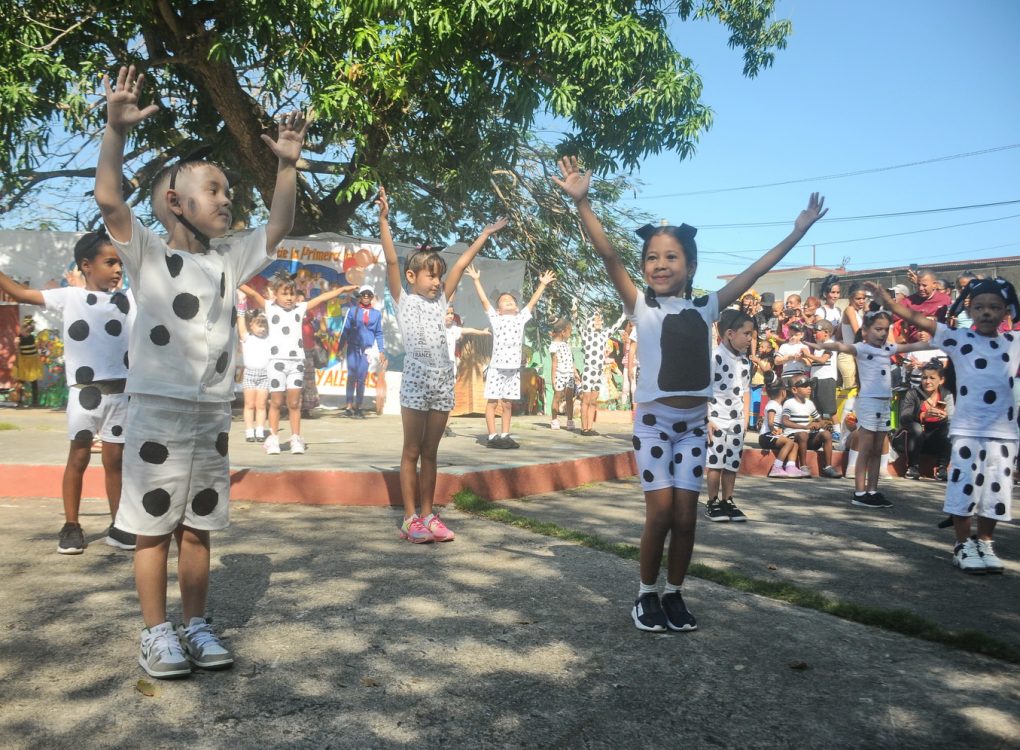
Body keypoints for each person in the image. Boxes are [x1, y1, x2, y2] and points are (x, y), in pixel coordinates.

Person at [94, 65, 310, 678]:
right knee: (150, 525)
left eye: (227, 192)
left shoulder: (228, 258)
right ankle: (155, 633)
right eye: (212, 190)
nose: (225, 199)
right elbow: (110, 196)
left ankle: (194, 623)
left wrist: (286, 166)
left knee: (198, 526)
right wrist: (116, 129)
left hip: (212, 412)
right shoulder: (147, 252)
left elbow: (279, 225)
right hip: (157, 409)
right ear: (173, 203)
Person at [553, 154, 828, 633]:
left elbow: (756, 271)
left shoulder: (707, 307)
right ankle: (645, 595)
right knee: (659, 513)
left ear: (691, 264)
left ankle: (674, 593)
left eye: (671, 256)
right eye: (653, 258)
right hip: (654, 425)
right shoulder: (639, 305)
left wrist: (798, 231)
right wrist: (583, 203)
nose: (660, 264)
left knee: (686, 517)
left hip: (694, 429)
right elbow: (608, 256)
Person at [378, 188, 506, 542]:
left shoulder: (441, 302)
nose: (436, 282)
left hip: (442, 379)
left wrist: (483, 234)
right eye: (430, 276)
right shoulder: (403, 299)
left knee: (431, 452)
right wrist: (384, 220)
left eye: (439, 276)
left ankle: (428, 514)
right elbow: (391, 261)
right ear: (411, 277)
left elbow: (462, 265)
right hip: (416, 377)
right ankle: (409, 519)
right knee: (412, 450)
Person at [869, 278, 1019, 574]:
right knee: (964, 486)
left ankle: (985, 542)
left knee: (995, 490)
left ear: (1006, 311)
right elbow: (918, 319)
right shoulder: (959, 338)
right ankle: (963, 544)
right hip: (967, 431)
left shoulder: (1013, 343)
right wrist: (888, 302)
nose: (987, 312)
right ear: (970, 310)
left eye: (994, 307)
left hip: (1004, 433)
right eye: (979, 307)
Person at [0, 231, 136, 553]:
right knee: (78, 457)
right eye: (110, 262)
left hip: (121, 394)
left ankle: (120, 524)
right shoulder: (69, 297)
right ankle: (72, 524)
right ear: (86, 266)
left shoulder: (130, 300)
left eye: (121, 263)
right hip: (84, 393)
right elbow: (18, 292)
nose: (118, 269)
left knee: (116, 460)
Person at [816, 306, 930, 507]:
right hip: (869, 401)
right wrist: (818, 343)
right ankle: (860, 493)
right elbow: (843, 347)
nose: (883, 333)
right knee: (866, 448)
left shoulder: (888, 348)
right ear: (866, 331)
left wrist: (933, 343)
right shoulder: (862, 348)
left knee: (878, 448)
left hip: (885, 401)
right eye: (878, 329)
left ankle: (873, 490)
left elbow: (908, 348)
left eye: (886, 329)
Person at [261, 273, 356, 454]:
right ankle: (273, 438)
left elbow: (322, 297)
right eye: (284, 294)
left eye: (292, 294)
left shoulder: (300, 308)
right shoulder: (269, 308)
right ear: (276, 294)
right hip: (276, 362)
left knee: (295, 402)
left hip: (296, 362)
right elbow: (251, 295)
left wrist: (342, 290)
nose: (289, 298)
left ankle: (296, 438)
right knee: (276, 401)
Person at [466, 263, 555, 447]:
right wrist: (476, 280)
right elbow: (484, 301)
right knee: (492, 403)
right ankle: (492, 436)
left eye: (512, 300)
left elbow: (532, 303)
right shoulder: (496, 319)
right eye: (503, 300)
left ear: (516, 308)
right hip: (497, 368)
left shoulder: (520, 318)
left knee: (507, 404)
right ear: (498, 309)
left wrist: (543, 284)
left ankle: (505, 434)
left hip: (513, 370)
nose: (508, 300)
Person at [705, 309, 755, 522]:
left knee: (732, 463)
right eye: (746, 334)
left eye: (751, 334)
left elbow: (745, 390)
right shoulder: (714, 357)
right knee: (715, 463)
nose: (749, 339)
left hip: (736, 420)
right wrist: (707, 418)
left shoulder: (745, 362)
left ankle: (728, 500)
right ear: (730, 333)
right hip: (717, 418)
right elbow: (704, 390)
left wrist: (745, 419)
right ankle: (712, 501)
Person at [893, 360, 953, 481]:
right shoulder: (913, 393)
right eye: (924, 378)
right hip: (911, 439)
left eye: (932, 378)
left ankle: (941, 468)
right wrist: (923, 415)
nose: (927, 381)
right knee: (916, 428)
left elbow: (953, 418)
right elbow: (904, 418)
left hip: (934, 439)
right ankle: (912, 467)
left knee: (950, 429)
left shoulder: (946, 394)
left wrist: (944, 416)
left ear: (941, 380)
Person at [780, 377, 842, 478]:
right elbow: (785, 421)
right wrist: (804, 427)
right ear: (794, 390)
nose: (809, 388)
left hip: (806, 437)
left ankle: (827, 467)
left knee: (826, 434)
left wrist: (818, 425)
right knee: (803, 434)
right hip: (793, 437)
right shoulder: (789, 403)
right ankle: (803, 466)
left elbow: (822, 422)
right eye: (804, 386)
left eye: (809, 386)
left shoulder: (810, 404)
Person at [341, 285, 386, 418]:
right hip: (352, 348)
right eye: (364, 295)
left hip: (367, 350)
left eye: (369, 295)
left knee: (361, 378)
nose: (366, 297)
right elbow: (345, 330)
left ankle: (358, 406)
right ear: (360, 296)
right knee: (351, 376)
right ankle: (349, 406)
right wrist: (339, 348)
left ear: (372, 297)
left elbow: (379, 333)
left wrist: (381, 350)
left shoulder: (376, 314)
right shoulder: (352, 310)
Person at [237, 305, 270, 442]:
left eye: (264, 326)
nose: (262, 328)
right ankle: (249, 431)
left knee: (261, 405)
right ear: (251, 325)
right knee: (249, 404)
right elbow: (240, 322)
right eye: (259, 325)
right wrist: (242, 304)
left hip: (265, 375)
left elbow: (275, 321)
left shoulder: (270, 339)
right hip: (250, 374)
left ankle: (260, 430)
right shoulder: (247, 338)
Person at [759, 383, 801, 477]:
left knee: (795, 444)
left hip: (773, 435)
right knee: (789, 442)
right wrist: (773, 429)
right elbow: (771, 421)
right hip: (766, 436)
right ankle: (777, 467)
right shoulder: (773, 404)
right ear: (783, 392)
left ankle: (791, 466)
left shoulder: (779, 406)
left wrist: (780, 430)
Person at [902, 269, 951, 342]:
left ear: (934, 284)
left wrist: (932, 336)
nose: (920, 288)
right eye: (918, 285)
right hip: (914, 347)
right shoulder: (908, 301)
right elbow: (893, 316)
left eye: (924, 285)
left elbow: (949, 325)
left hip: (937, 347)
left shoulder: (945, 299)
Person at [548, 317, 579, 430]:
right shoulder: (554, 346)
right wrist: (553, 379)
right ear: (563, 332)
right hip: (559, 374)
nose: (570, 334)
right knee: (557, 396)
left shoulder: (566, 345)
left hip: (569, 374)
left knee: (569, 397)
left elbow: (571, 360)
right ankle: (554, 419)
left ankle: (570, 420)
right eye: (570, 331)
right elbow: (554, 364)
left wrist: (575, 372)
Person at [806, 320, 838, 421]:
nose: (814, 335)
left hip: (826, 379)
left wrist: (807, 355)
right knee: (817, 408)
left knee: (830, 409)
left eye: (816, 332)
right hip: (816, 379)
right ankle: (820, 429)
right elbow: (814, 362)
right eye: (813, 332)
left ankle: (837, 430)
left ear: (826, 333)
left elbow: (823, 360)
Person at [775, 322, 811, 387]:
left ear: (802, 335)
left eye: (796, 335)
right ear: (788, 333)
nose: (793, 337)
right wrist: (788, 358)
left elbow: (809, 363)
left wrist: (801, 359)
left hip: (799, 376)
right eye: (791, 335)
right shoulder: (784, 346)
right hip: (786, 376)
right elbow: (776, 361)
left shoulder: (804, 347)